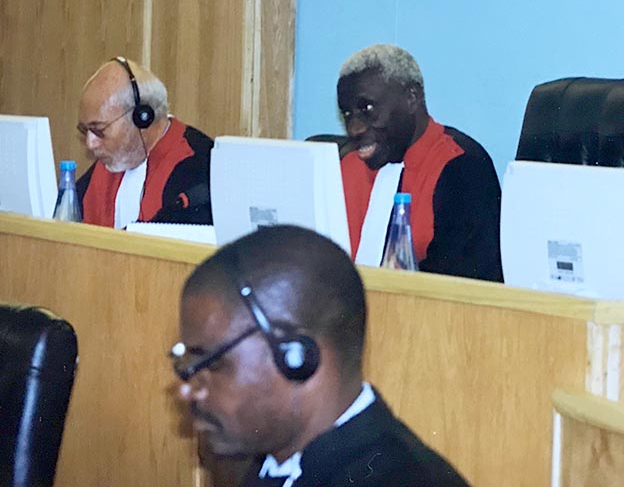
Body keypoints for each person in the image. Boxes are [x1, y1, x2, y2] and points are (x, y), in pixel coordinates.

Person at [173, 225, 470, 486]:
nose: (188, 388)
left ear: (297, 357)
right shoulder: (274, 461)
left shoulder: (408, 479)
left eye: (211, 363)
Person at [336, 44, 503, 282]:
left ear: (411, 98)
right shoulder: (346, 166)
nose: (354, 129)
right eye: (347, 114)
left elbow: (465, 292)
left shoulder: (460, 167)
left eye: (368, 109)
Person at [75, 57, 213, 227]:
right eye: (85, 131)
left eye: (99, 130)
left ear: (141, 118)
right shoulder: (109, 164)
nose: (91, 143)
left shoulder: (197, 165)